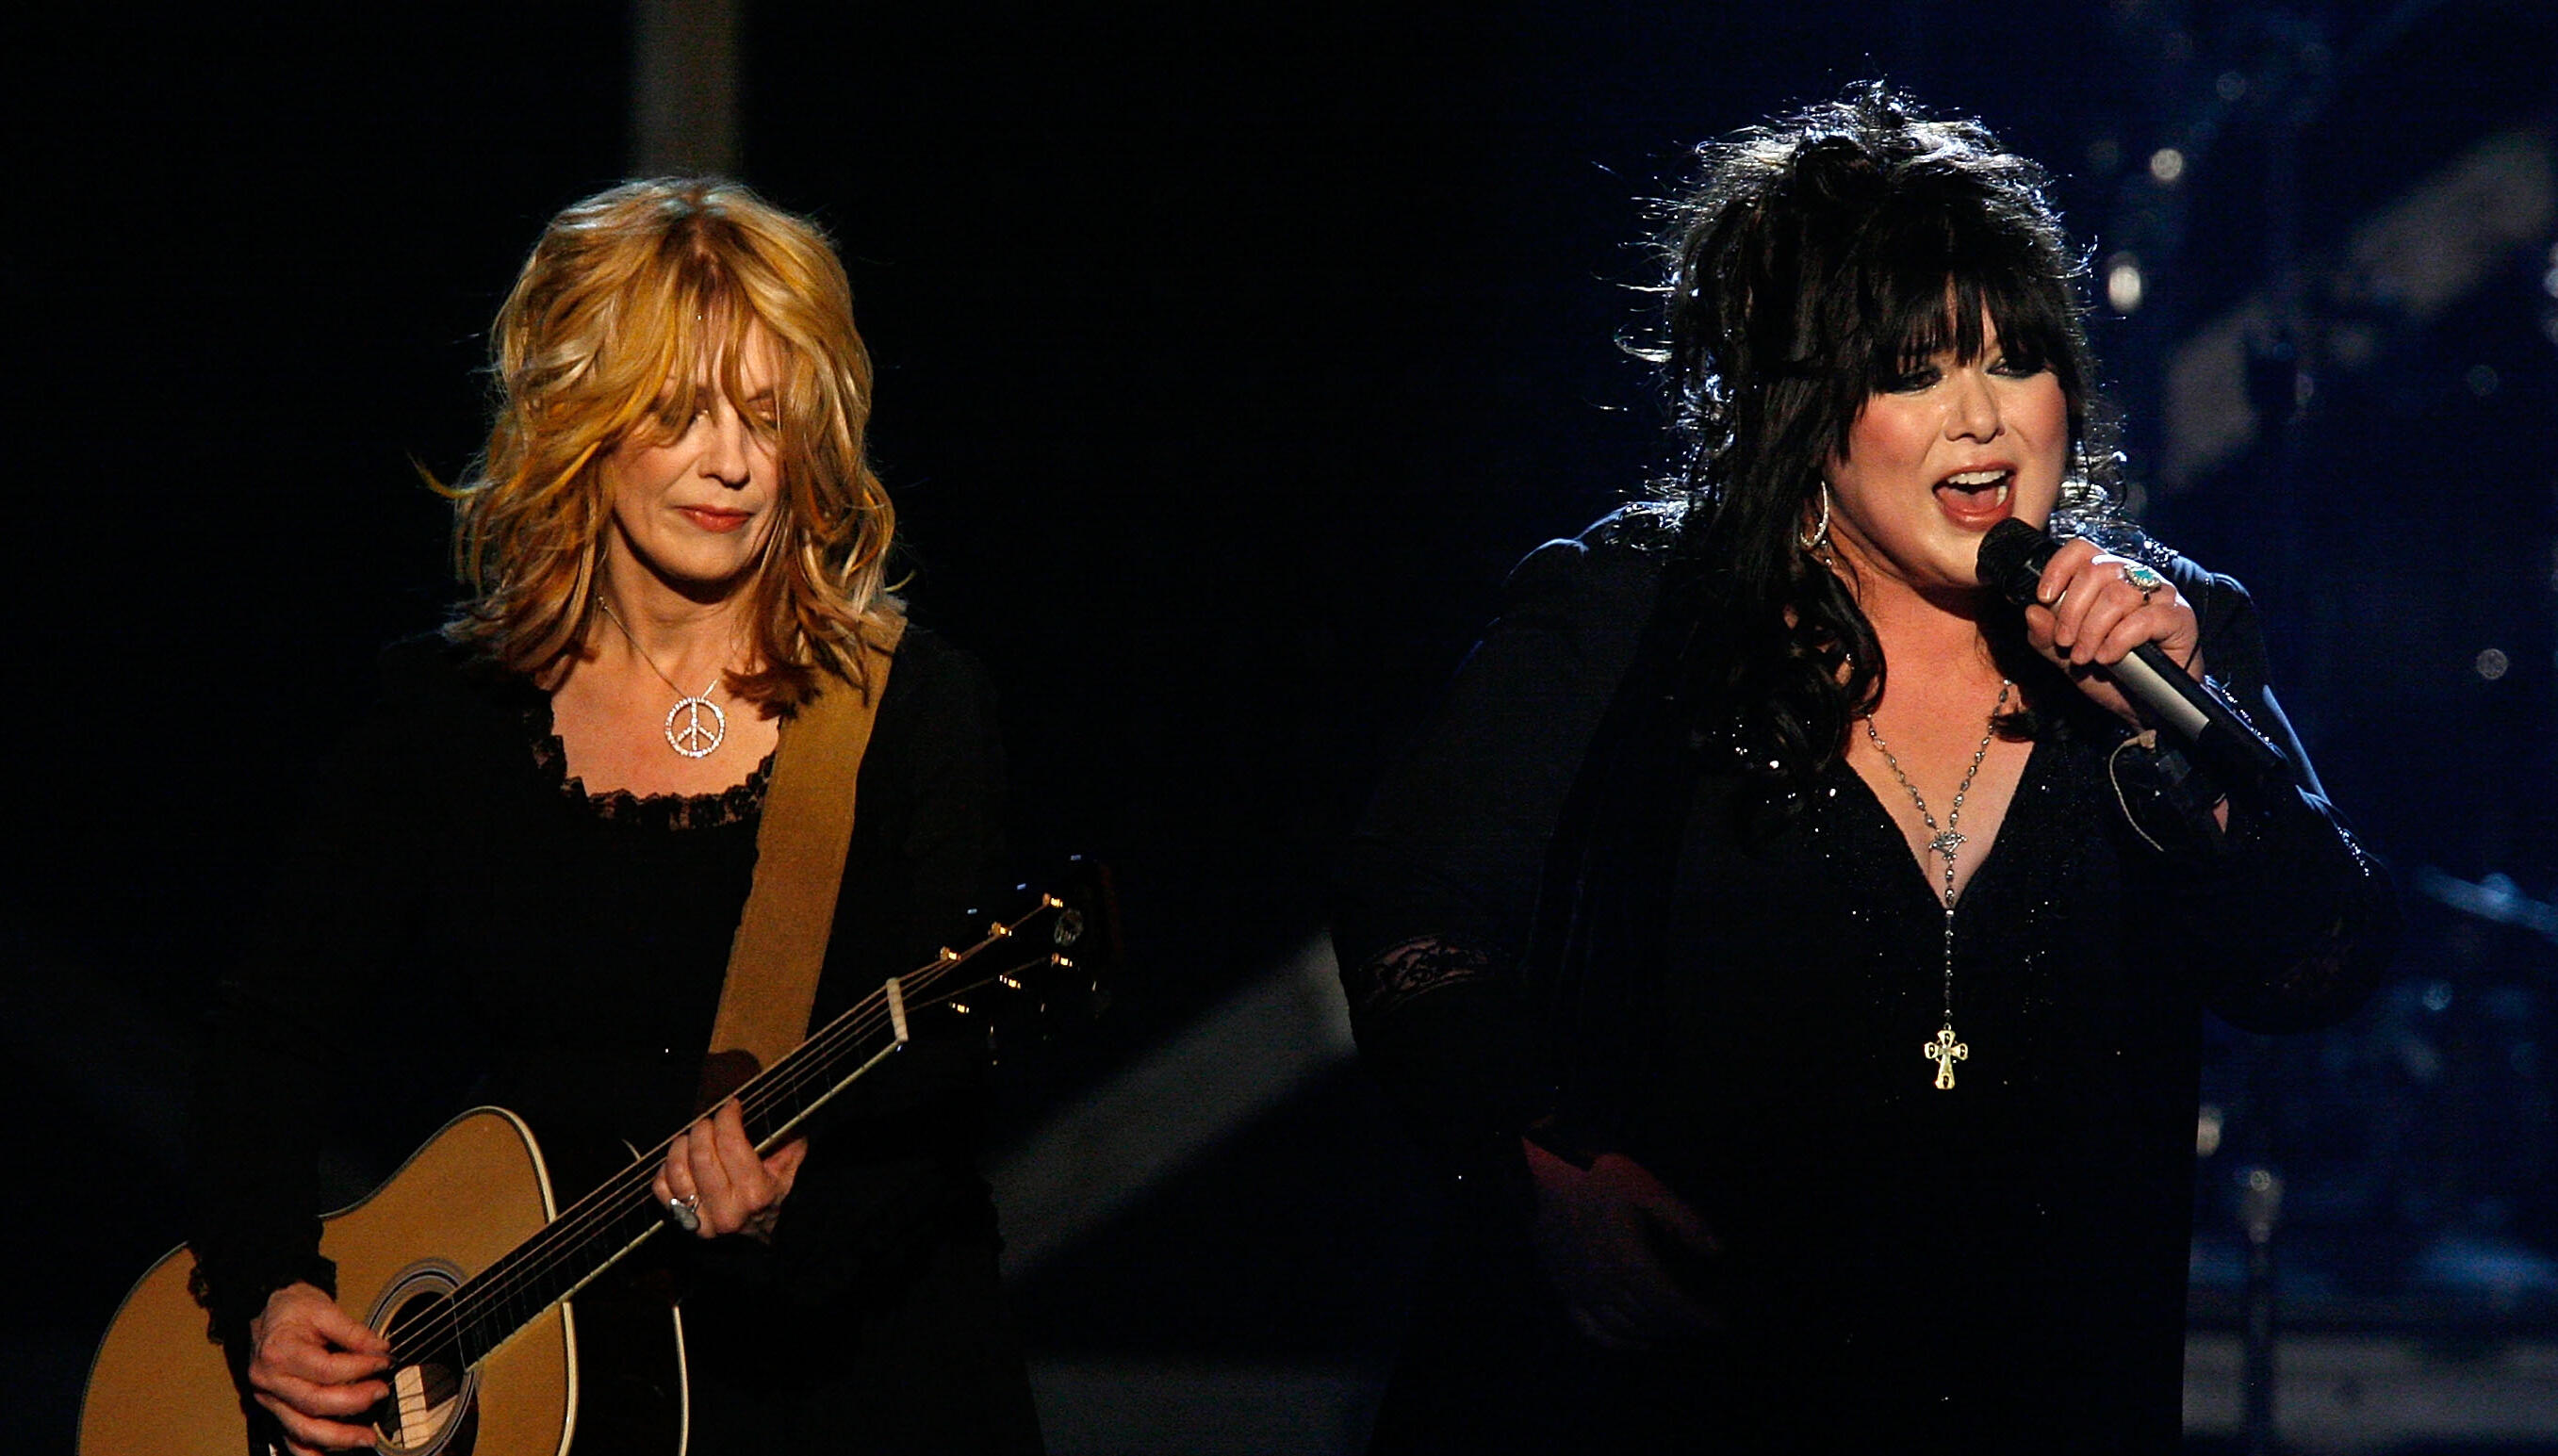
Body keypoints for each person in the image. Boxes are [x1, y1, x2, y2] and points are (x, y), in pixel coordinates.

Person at [1335, 85, 2396, 1452]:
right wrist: (1538, 1168)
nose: (1981, 419)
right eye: (1912, 371)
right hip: (1672, 1394)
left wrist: (2166, 736)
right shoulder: (1632, 610)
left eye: (2015, 359)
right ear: (1806, 405)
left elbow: (2321, 962)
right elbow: (1409, 905)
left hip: (2031, 1396)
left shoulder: (2165, 636)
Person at [187, 179, 1042, 1454]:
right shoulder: (446, 712)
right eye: (678, 411)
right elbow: (269, 1032)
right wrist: (272, 1288)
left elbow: (946, 1100)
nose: (732, 463)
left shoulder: (909, 710)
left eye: (767, 415)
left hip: (854, 1396)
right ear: (576, 418)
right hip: (551, 1402)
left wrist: (790, 1213)